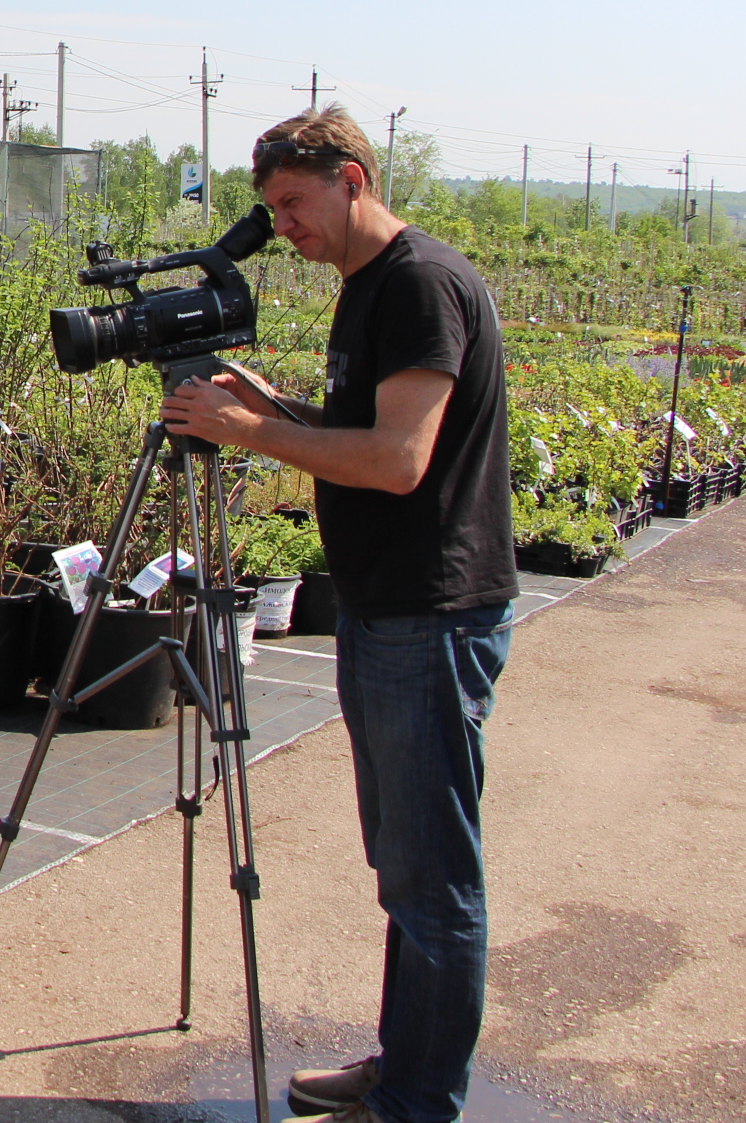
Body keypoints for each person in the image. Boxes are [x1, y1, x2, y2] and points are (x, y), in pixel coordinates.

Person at [158, 107, 516, 1123]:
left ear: (352, 179)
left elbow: (398, 462)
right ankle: (406, 1069)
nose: (282, 228)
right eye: (271, 210)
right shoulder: (369, 287)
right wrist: (274, 408)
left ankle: (418, 1101)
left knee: (432, 880)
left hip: (430, 614)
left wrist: (250, 432)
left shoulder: (418, 284)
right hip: (389, 609)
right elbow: (365, 433)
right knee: (405, 867)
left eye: (293, 204)